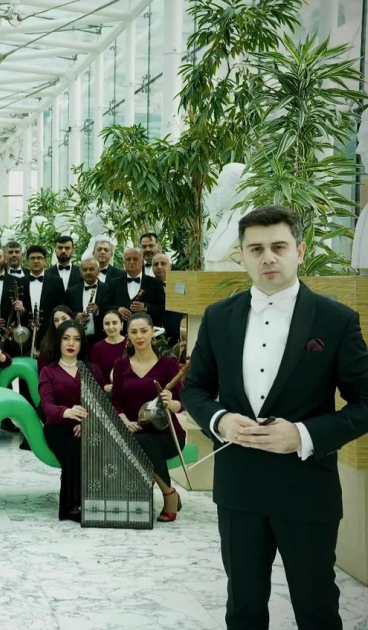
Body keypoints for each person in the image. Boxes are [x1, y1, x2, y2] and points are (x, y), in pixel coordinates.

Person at [183, 205, 368, 630]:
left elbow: (365, 401)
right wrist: (220, 420)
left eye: (279, 247)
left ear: (299, 252)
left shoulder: (337, 320)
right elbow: (194, 390)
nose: (268, 257)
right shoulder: (217, 317)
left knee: (317, 608)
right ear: (242, 257)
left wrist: (303, 435)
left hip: (307, 489)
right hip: (239, 488)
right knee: (243, 608)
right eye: (257, 249)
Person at [111, 312, 185, 523]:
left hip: (167, 434)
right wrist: (125, 421)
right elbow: (116, 403)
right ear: (128, 335)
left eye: (144, 331)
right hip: (133, 430)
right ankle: (171, 493)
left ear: (153, 332)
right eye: (134, 332)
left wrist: (170, 403)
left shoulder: (169, 364)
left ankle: (169, 495)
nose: (139, 336)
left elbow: (181, 404)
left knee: (140, 443)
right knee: (138, 441)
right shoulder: (121, 365)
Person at [40, 320, 105, 521]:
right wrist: (67, 412)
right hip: (58, 426)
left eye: (76, 339)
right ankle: (73, 504)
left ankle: (99, 499)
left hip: (89, 425)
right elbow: (47, 405)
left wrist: (88, 422)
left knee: (91, 443)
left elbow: (101, 403)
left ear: (81, 343)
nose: (71, 343)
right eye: (66, 338)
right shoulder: (48, 371)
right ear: (58, 342)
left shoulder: (92, 370)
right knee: (74, 447)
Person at [105, 247, 165, 327]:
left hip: (147, 330)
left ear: (142, 262)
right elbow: (104, 307)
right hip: (119, 331)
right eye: (128, 259)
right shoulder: (113, 283)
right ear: (124, 263)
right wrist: (117, 309)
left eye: (135, 259)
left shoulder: (155, 283)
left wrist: (146, 307)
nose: (131, 262)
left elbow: (163, 308)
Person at [65, 257, 110, 345]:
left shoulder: (108, 289)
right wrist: (76, 316)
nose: (88, 272)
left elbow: (111, 309)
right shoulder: (71, 291)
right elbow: (66, 311)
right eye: (85, 270)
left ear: (98, 271)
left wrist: (98, 311)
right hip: (78, 338)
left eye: (91, 269)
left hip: (101, 338)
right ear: (80, 272)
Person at [90, 310, 127, 391]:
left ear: (122, 324)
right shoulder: (97, 347)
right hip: (108, 392)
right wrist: (104, 385)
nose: (111, 327)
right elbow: (95, 373)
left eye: (114, 323)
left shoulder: (130, 344)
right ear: (103, 326)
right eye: (107, 324)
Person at [36, 306, 76, 370]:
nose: (60, 323)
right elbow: (42, 369)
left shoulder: (80, 340)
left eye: (64, 319)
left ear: (71, 319)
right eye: (56, 320)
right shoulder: (47, 343)